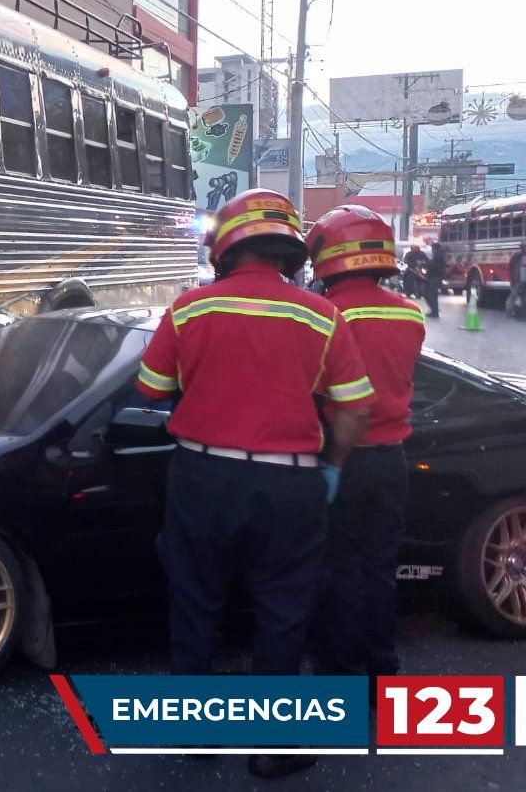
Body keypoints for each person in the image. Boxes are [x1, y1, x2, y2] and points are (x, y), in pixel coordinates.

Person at [137, 188, 372, 781]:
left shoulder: (190, 309)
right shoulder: (322, 315)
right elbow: (354, 410)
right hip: (291, 484)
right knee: (283, 611)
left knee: (194, 604)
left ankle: (194, 737)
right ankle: (272, 747)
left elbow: (148, 389)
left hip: (202, 476)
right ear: (291, 252)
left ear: (225, 249)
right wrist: (334, 467)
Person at [305, 207, 425, 686]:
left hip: (344, 455)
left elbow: (314, 389)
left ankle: (342, 672)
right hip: (392, 458)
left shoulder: (329, 316)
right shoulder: (409, 314)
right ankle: (382, 668)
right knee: (379, 568)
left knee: (339, 566)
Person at [423, 238, 446, 318]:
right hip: (436, 277)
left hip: (434, 277)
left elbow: (433, 266)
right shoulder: (439, 255)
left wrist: (426, 264)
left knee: (431, 295)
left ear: (434, 248)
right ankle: (434, 310)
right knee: (431, 295)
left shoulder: (438, 256)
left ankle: (434, 311)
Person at [508, 240, 526, 320]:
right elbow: (511, 268)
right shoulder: (517, 256)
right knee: (513, 296)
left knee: (523, 298)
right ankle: (509, 311)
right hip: (517, 280)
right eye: (524, 247)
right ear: (522, 248)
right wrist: (512, 279)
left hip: (524, 280)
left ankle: (521, 314)